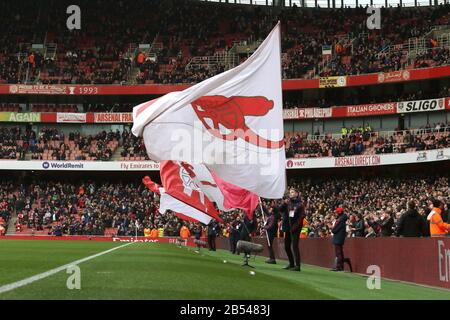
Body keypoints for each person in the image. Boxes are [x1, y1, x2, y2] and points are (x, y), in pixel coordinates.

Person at [280, 188, 305, 272]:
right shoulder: (288, 202)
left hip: (295, 228)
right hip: (288, 227)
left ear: (297, 194)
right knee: (287, 247)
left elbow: (301, 217)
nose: (290, 193)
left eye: (292, 192)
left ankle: (297, 265)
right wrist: (284, 203)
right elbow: (280, 209)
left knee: (294, 246)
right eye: (290, 192)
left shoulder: (300, 204)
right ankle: (291, 263)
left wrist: (294, 227)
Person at [331, 207, 350, 272]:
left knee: (338, 253)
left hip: (338, 238)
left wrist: (332, 229)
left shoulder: (340, 219)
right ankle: (340, 266)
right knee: (340, 252)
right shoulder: (342, 219)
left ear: (339, 212)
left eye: (336, 212)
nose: (335, 214)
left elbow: (334, 230)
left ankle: (339, 267)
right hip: (340, 237)